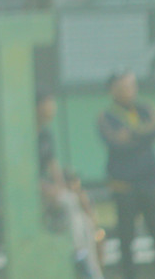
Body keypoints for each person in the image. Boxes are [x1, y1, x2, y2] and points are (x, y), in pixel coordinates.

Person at [98, 70, 155, 278]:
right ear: (113, 90)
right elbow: (118, 142)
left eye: (132, 86)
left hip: (150, 182)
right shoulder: (106, 116)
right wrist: (144, 134)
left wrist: (133, 133)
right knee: (127, 236)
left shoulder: (145, 108)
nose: (130, 91)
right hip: (124, 185)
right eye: (124, 87)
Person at [37, 91, 105, 279]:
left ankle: (92, 270)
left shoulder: (45, 134)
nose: (53, 107)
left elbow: (53, 165)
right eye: (48, 102)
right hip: (34, 194)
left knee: (85, 220)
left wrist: (60, 186)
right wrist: (49, 189)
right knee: (68, 203)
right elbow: (23, 174)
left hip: (50, 193)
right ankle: (78, 252)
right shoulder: (25, 133)